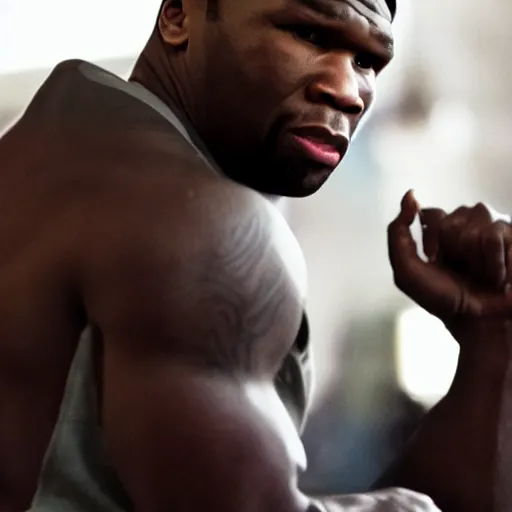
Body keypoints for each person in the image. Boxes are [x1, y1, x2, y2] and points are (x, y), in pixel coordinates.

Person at [0, 0, 511, 511]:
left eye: (368, 62)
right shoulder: (198, 226)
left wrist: (492, 333)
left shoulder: (41, 158)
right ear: (178, 15)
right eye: (307, 34)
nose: (346, 91)